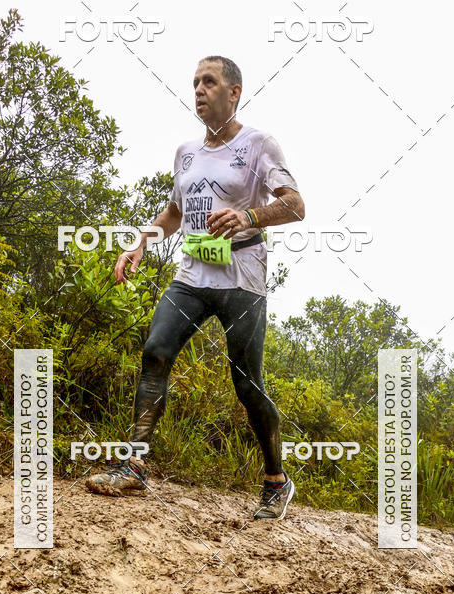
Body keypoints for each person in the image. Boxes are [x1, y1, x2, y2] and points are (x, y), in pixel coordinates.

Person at [86, 55, 305, 520]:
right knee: (156, 349)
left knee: (246, 383)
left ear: (234, 93)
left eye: (210, 82)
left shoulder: (259, 144)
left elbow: (295, 205)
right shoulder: (186, 152)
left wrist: (248, 215)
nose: (199, 90)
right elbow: (174, 212)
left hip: (242, 275)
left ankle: (275, 480)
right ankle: (134, 465)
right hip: (193, 272)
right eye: (195, 83)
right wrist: (139, 244)